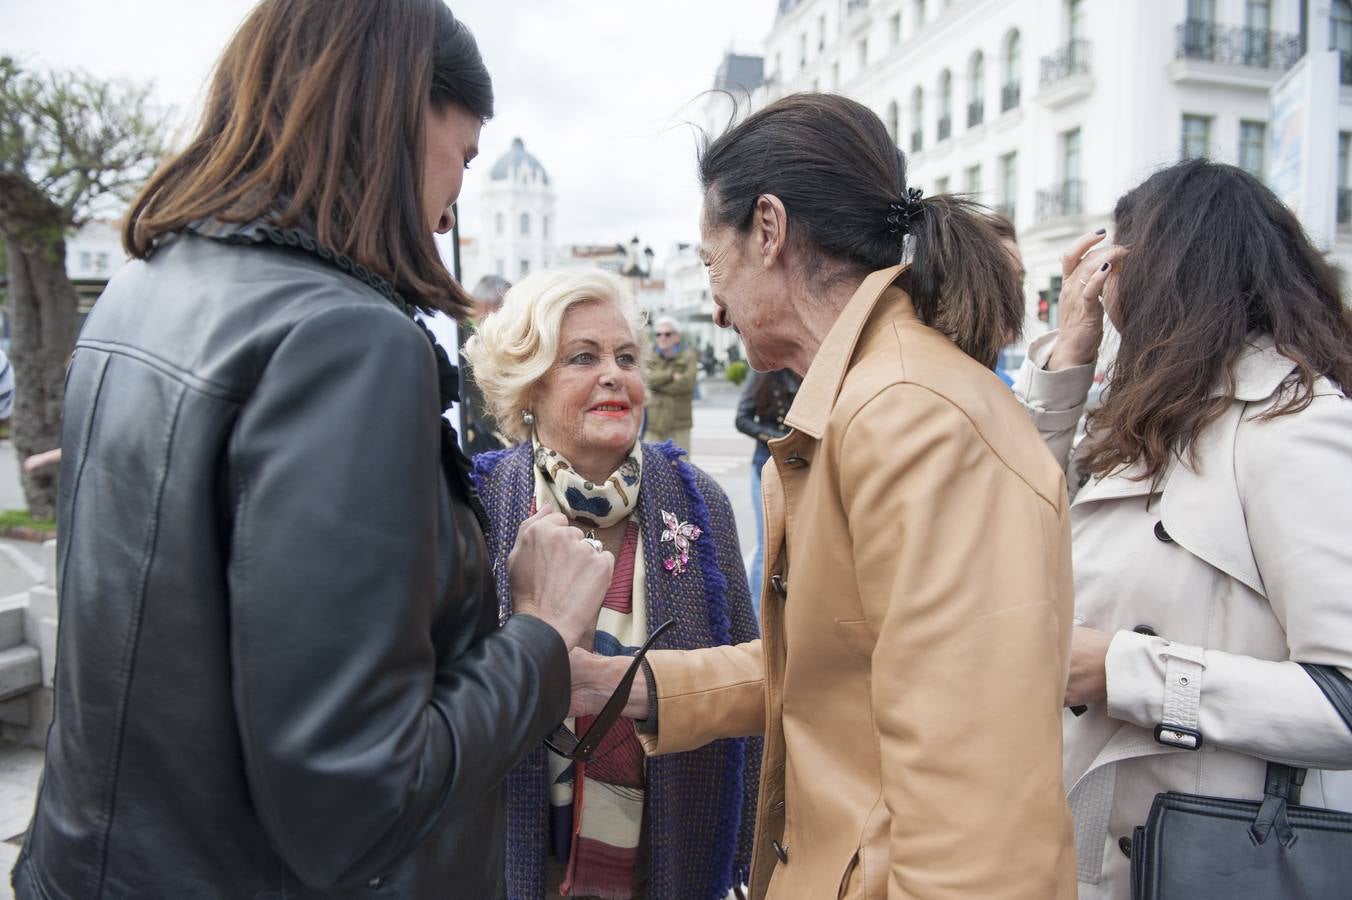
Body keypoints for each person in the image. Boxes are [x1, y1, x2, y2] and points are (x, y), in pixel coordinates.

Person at [12, 3, 614, 898]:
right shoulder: (343, 337)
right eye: (465, 157)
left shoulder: (142, 287)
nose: (454, 206)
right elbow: (359, 797)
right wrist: (544, 635)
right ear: (399, 115)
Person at [571, 93, 1077, 899]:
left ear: (768, 230)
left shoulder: (913, 419)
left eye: (712, 264)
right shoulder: (875, 406)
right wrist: (622, 687)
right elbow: (838, 672)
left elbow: (978, 825)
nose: (714, 304)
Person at [1015, 158, 1352, 899]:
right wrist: (1069, 354)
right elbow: (1011, 526)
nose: (1103, 284)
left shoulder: (1291, 424)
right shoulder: (1162, 413)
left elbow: (1345, 697)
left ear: (1168, 272)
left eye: (1117, 261)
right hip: (1107, 847)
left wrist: (1121, 672)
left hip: (1221, 859)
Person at [463, 267, 760, 900]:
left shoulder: (698, 500)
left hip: (666, 856)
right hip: (516, 860)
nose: (614, 375)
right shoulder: (480, 505)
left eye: (626, 357)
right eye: (582, 357)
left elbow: (751, 675)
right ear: (528, 387)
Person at [733, 368, 799, 606]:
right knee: (766, 548)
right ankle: (760, 619)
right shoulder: (764, 371)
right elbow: (742, 419)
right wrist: (778, 437)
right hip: (766, 465)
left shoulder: (809, 364)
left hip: (801, 467)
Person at [642, 316, 698, 449]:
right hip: (654, 424)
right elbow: (646, 381)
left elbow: (687, 385)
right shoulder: (649, 357)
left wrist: (657, 384)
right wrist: (671, 375)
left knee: (681, 467)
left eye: (667, 334)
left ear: (677, 337)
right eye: (658, 334)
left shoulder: (688, 357)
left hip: (679, 424)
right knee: (652, 468)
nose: (663, 337)